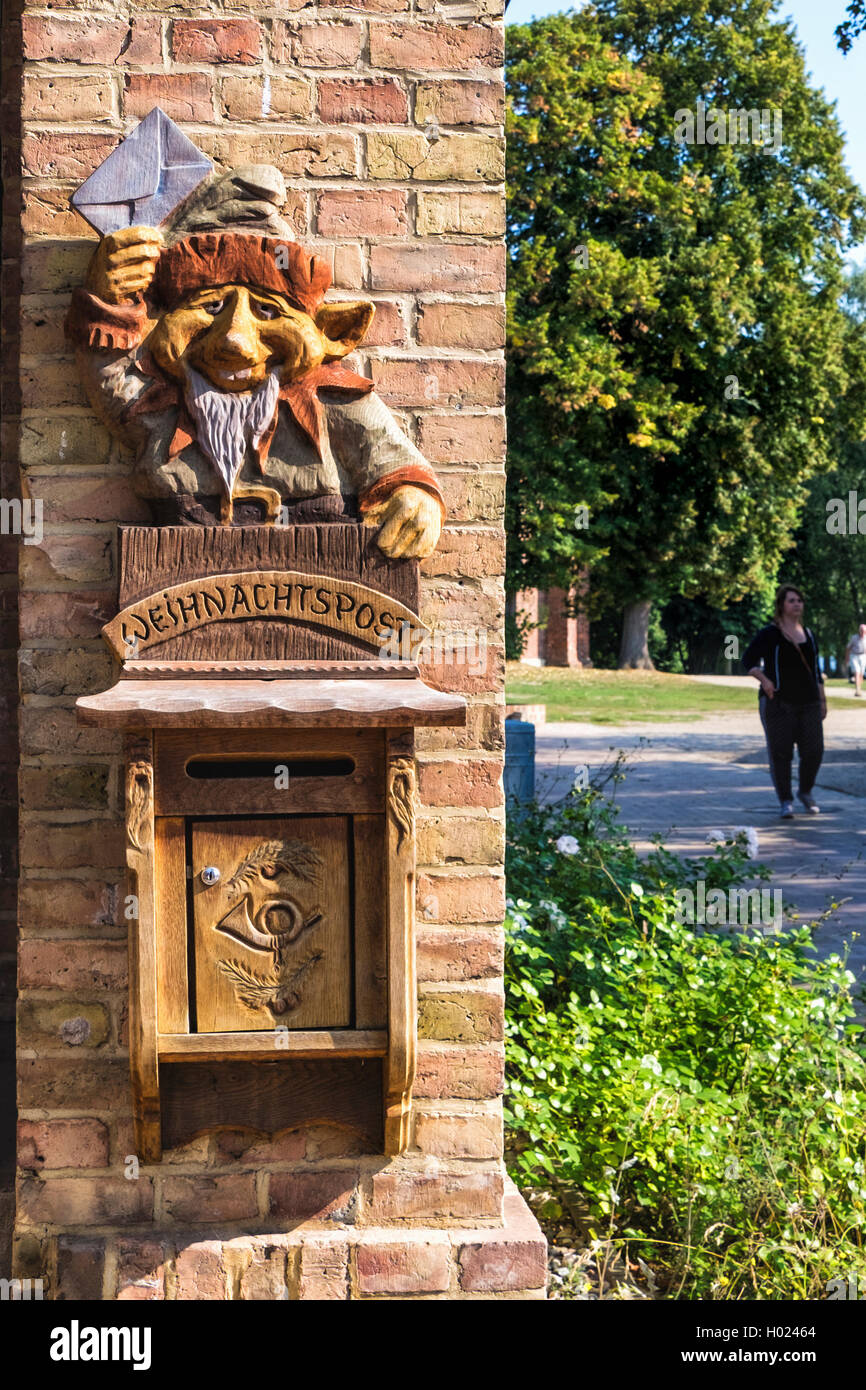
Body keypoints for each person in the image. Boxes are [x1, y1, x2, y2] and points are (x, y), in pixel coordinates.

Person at [742, 585, 827, 818]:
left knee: (815, 750)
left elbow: (816, 672)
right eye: (792, 600)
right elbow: (748, 659)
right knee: (781, 753)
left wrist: (823, 699)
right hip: (778, 701)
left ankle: (805, 791)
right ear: (781, 605)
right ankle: (786, 800)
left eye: (800, 600)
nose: (797, 604)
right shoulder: (770, 633)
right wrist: (765, 680)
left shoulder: (808, 634)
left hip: (809, 701)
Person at [845, 623, 866, 697]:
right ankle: (857, 690)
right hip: (854, 656)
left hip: (863, 656)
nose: (863, 632)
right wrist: (847, 658)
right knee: (857, 672)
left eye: (864, 631)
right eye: (862, 631)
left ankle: (859, 688)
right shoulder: (854, 638)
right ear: (859, 631)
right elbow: (848, 648)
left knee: (861, 674)